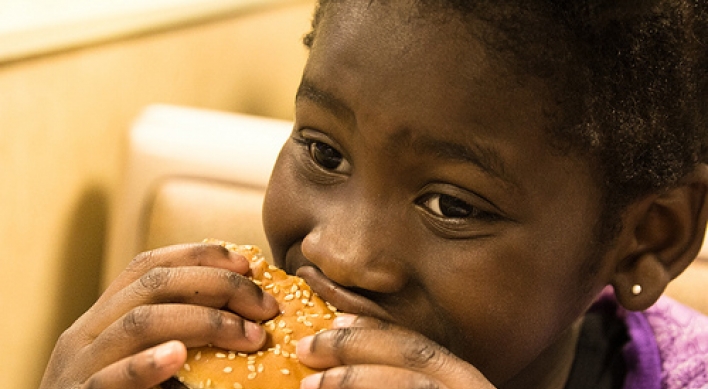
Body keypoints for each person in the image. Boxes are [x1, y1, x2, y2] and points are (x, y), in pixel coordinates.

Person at [40, 1, 708, 388]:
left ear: (651, 236)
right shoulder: (177, 363)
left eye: (452, 205)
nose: (339, 253)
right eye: (324, 153)